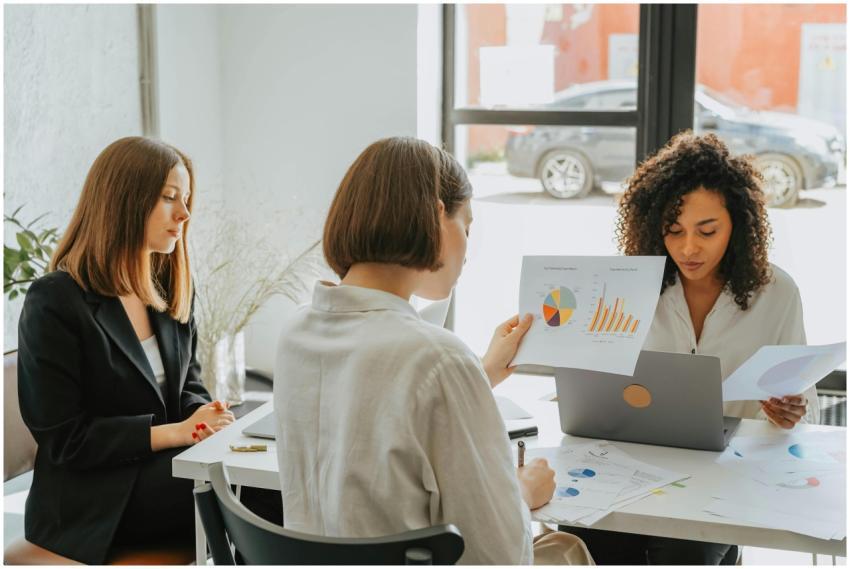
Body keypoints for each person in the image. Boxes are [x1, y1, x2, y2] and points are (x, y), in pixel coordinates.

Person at [274, 137, 593, 565]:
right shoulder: (437, 359)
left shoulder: (296, 332)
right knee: (565, 548)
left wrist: (478, 375)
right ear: (437, 216)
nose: (468, 250)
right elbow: (500, 555)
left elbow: (379, 408)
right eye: (468, 226)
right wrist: (521, 489)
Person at [562, 132, 819, 565]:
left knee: (680, 554)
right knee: (583, 544)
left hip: (724, 481)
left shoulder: (777, 293)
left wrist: (789, 411)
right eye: (673, 230)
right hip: (629, 467)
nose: (688, 248)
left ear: (738, 223)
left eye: (707, 230)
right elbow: (593, 388)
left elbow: (800, 401)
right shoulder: (628, 286)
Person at [17, 136, 235, 564]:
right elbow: (64, 439)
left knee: (267, 486)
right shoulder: (56, 300)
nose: (185, 214)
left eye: (187, 199)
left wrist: (207, 420)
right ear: (124, 200)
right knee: (253, 494)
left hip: (161, 475)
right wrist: (173, 433)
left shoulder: (171, 289)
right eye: (170, 197)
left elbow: (189, 385)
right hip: (90, 498)